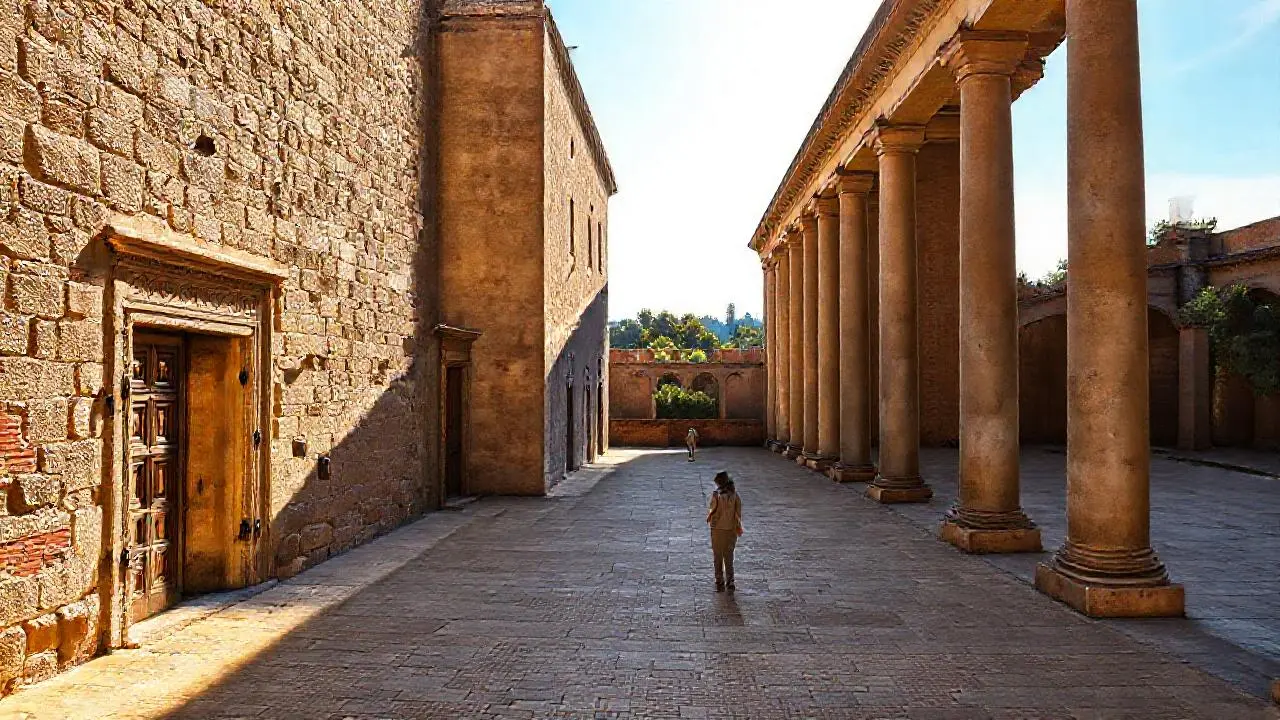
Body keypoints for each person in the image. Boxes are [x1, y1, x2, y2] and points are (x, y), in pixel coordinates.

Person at [706, 471, 743, 592]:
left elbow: (713, 511)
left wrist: (712, 525)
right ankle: (730, 580)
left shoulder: (716, 495)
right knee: (729, 555)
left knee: (718, 555)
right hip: (731, 530)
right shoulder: (735, 495)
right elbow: (738, 514)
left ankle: (719, 578)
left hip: (717, 530)